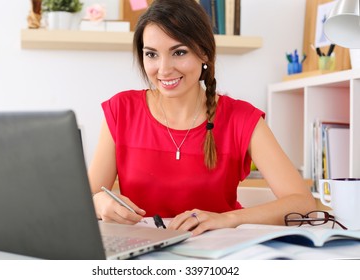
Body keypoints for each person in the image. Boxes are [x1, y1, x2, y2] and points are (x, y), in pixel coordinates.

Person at [88, 0, 316, 236]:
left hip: (219, 254)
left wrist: (228, 219)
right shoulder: (120, 111)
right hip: (142, 253)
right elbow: (86, 197)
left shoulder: (242, 118)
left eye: (179, 52)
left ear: (204, 53)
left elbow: (303, 204)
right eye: (152, 54)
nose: (164, 69)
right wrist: (99, 203)